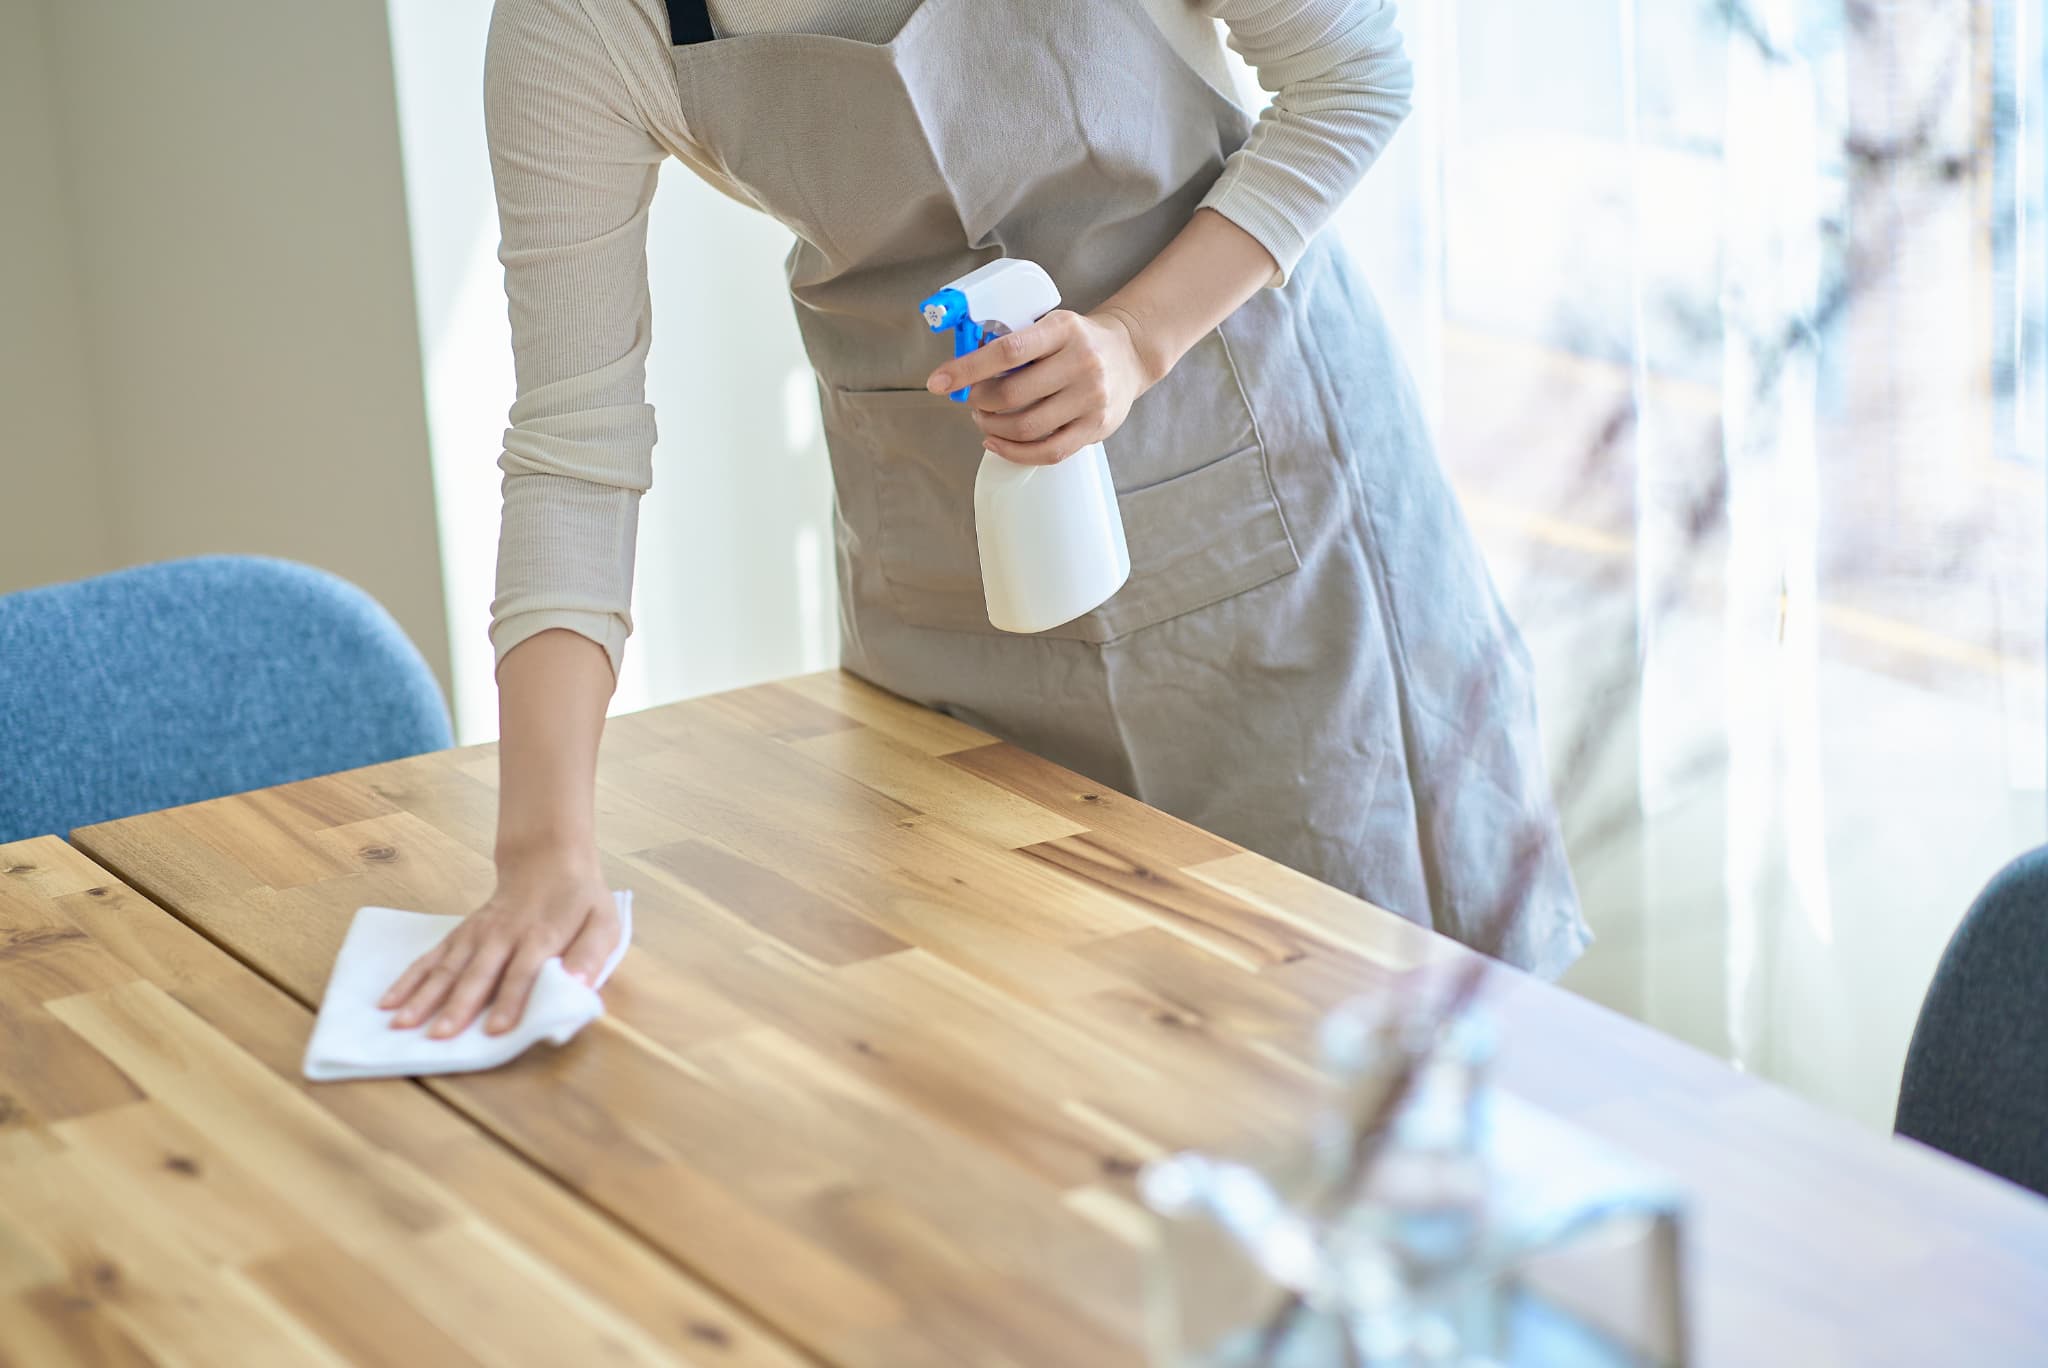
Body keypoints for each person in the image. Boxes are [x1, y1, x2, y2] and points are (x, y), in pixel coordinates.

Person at [380, 0, 1591, 1040]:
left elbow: (1353, 73)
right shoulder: (582, 25)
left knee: (1369, 1072)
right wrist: (542, 851)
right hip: (946, 587)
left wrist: (1134, 339)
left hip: (1270, 528)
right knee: (1015, 1090)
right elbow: (573, 444)